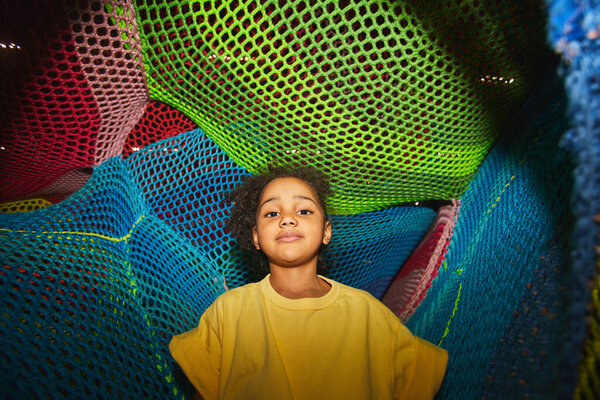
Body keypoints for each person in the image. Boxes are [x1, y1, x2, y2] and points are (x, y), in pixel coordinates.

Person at [169, 165, 448, 400]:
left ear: (326, 231)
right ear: (255, 236)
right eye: (271, 213)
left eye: (303, 211)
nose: (288, 219)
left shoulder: (369, 314)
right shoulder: (227, 312)